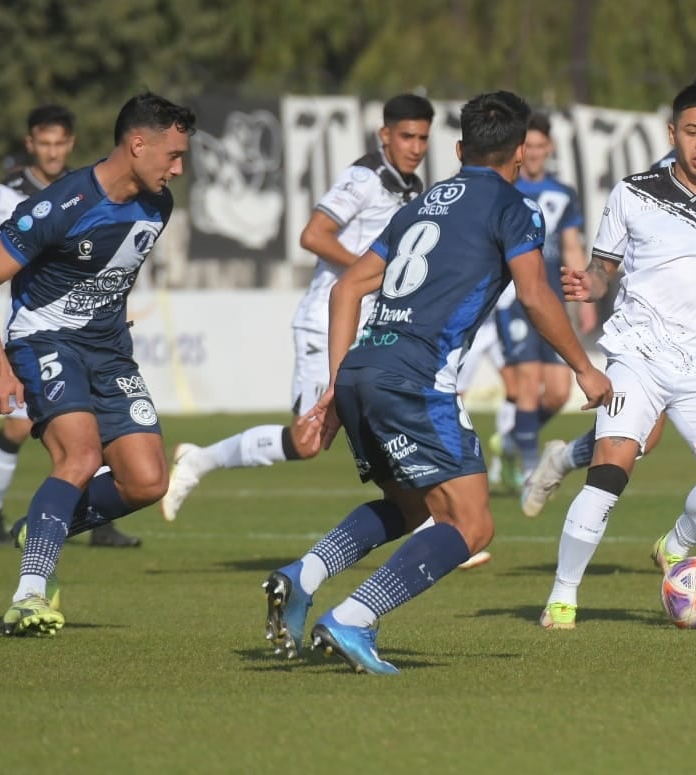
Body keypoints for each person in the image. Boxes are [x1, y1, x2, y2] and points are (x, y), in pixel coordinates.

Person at [263, 90, 612, 673]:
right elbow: (533, 293)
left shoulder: (418, 206)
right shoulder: (514, 208)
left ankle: (305, 574)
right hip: (417, 379)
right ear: (521, 151)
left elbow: (347, 288)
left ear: (457, 148)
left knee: (406, 503)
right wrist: (584, 367)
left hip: (360, 371)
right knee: (471, 522)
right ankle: (353, 618)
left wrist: (333, 383)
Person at [522, 70, 696, 585]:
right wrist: (591, 283)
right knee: (633, 446)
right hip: (644, 345)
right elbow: (611, 263)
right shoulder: (647, 188)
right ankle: (565, 582)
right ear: (675, 132)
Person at [0, 92, 196, 636]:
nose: (179, 168)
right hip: (45, 340)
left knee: (147, 481)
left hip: (109, 350)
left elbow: (107, 275)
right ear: (138, 145)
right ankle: (28, 595)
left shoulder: (159, 205)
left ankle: (43, 524)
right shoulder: (63, 203)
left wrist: (106, 316)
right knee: (82, 455)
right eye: (173, 155)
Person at [160, 94, 435, 521]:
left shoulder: (411, 187)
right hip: (326, 323)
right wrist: (371, 274)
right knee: (309, 441)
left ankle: (433, 521)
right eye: (406, 136)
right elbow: (314, 235)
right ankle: (199, 460)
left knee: (389, 412)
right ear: (385, 134)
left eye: (422, 138)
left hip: (371, 328)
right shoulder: (364, 178)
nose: (415, 147)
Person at [0, 105, 140, 549]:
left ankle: (97, 520)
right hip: (35, 324)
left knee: (94, 424)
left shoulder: (87, 186)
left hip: (81, 324)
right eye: (43, 143)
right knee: (19, 426)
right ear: (31, 145)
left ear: (71, 144)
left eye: (59, 143)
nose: (51, 151)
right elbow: (6, 254)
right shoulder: (12, 193)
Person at [488, 113, 593, 494]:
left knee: (560, 392)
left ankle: (514, 440)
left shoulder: (563, 194)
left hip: (549, 298)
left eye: (539, 146)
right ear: (519, 149)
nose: (533, 153)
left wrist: (582, 296)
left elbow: (570, 246)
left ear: (549, 149)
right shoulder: (504, 189)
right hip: (513, 300)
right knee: (529, 383)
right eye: (527, 146)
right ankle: (533, 471)